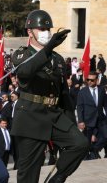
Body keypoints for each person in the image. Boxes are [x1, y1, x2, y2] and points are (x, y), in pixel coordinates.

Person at [11, 10, 89, 182]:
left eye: (48, 29)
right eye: (41, 29)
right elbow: (25, 72)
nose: (46, 33)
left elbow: (63, 94)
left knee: (80, 144)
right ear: (30, 32)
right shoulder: (22, 55)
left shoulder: (58, 59)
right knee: (29, 174)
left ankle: (57, 179)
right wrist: (47, 49)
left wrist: (71, 122)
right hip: (30, 116)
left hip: (53, 115)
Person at [77, 72, 107, 159]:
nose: (89, 81)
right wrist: (81, 121)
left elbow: (106, 105)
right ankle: (87, 158)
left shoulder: (101, 90)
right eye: (88, 80)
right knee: (87, 142)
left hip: (101, 119)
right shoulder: (82, 92)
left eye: (92, 80)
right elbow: (79, 107)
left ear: (97, 80)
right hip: (88, 120)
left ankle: (94, 150)